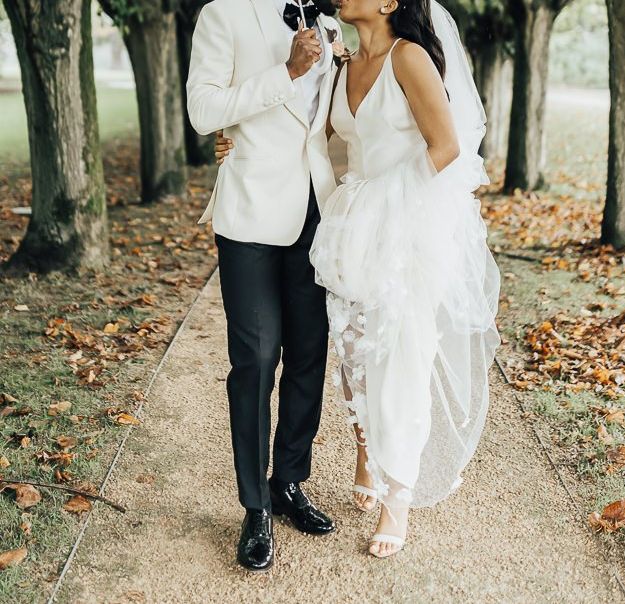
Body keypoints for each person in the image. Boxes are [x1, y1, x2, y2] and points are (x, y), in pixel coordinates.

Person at [215, 0, 500, 560]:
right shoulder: (342, 64)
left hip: (405, 222)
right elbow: (312, 136)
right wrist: (231, 139)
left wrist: (384, 204)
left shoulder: (411, 57)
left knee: (402, 352)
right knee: (353, 350)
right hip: (350, 224)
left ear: (389, 3)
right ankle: (367, 451)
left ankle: (400, 494)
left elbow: (447, 148)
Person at [186, 0, 342, 572]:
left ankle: (289, 483)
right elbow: (202, 110)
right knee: (254, 359)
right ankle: (255, 507)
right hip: (250, 213)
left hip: (316, 212)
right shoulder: (221, 14)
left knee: (309, 354)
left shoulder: (329, 20)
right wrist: (287, 75)